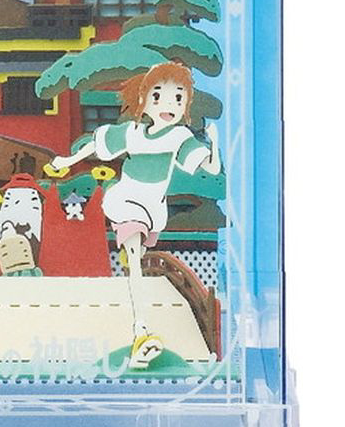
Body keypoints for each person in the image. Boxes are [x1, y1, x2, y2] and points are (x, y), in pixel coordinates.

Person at [45, 61, 220, 368]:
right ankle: (141, 330)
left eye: (178, 98)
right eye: (158, 96)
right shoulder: (133, 133)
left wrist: (214, 144)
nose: (168, 105)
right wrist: (66, 161)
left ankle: (133, 264)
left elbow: (212, 169)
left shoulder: (179, 138)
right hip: (127, 198)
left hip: (153, 205)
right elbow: (95, 145)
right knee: (137, 261)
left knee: (137, 249)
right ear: (143, 100)